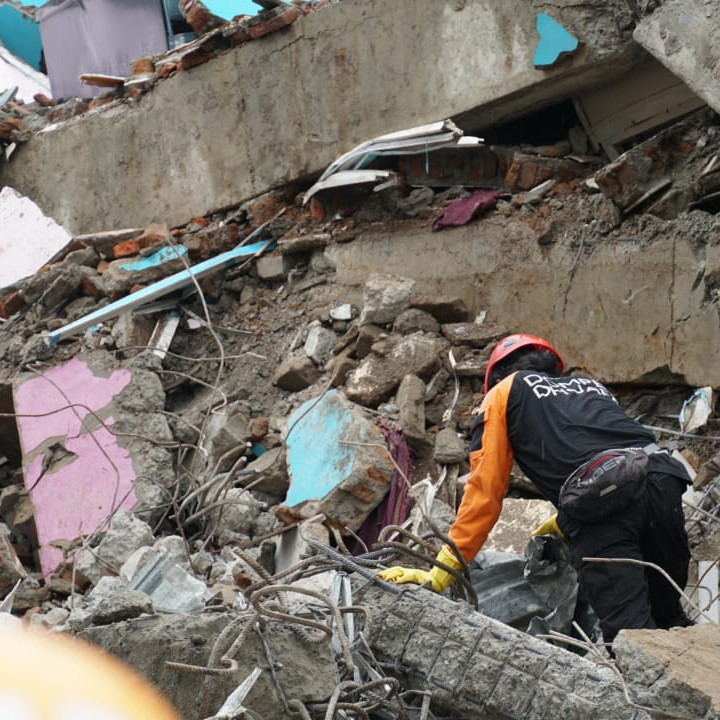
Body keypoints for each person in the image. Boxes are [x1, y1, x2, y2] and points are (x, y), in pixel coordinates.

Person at [380, 333, 693, 645]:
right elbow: (612, 451)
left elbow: (484, 494)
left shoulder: (502, 393)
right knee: (670, 622)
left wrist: (442, 571)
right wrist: (562, 520)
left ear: (496, 377)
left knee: (633, 641)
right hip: (663, 479)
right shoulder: (589, 386)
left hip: (604, 505)